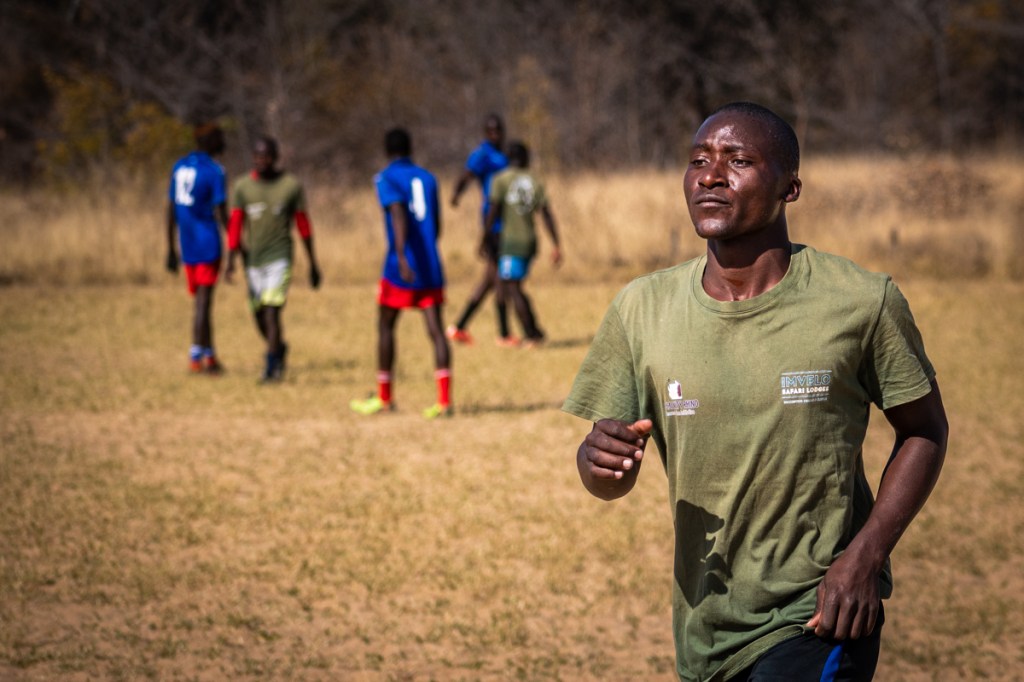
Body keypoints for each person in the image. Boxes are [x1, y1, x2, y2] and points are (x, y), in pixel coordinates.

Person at [563, 102, 948, 681]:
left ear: (790, 187)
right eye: (698, 161)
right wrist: (598, 463)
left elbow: (925, 430)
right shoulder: (642, 309)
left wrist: (864, 558)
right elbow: (604, 476)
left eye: (738, 160)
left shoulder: (861, 301)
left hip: (818, 616)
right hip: (705, 628)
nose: (711, 176)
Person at [350, 128, 452, 419]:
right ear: (410, 148)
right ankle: (444, 402)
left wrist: (401, 255)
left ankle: (384, 398)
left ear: (387, 150)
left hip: (401, 267)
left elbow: (397, 213)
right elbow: (437, 225)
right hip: (431, 264)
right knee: (436, 330)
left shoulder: (387, 178)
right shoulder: (429, 178)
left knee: (385, 325)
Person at [226, 135, 321, 383]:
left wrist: (313, 263)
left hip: (280, 257)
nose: (262, 161)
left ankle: (271, 368)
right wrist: (231, 260)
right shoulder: (242, 187)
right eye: (258, 156)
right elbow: (235, 225)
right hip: (253, 261)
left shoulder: (290, 186)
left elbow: (303, 225)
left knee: (271, 311)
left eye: (267, 156)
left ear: (275, 158)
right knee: (258, 313)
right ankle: (277, 348)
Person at [484, 141, 562, 348]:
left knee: (512, 288)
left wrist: (484, 237)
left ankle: (532, 334)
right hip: (530, 241)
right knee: (509, 286)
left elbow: (492, 212)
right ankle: (520, 331)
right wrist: (556, 243)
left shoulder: (500, 180)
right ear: (526, 158)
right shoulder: (535, 181)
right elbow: (546, 214)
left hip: (511, 242)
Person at [166, 123, 229, 374]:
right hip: (207, 244)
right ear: (211, 142)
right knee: (203, 303)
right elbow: (222, 213)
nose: (225, 143)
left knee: (203, 301)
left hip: (187, 243)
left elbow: (170, 209)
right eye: (221, 139)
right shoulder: (214, 171)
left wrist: (170, 247)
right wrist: (237, 245)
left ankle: (210, 356)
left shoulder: (180, 166)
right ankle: (196, 356)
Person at [446, 113, 512, 346]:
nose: (496, 135)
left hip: (508, 221)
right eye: (491, 131)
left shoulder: (505, 154)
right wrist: (456, 194)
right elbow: (466, 175)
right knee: (500, 276)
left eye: (499, 130)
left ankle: (460, 326)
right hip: (493, 223)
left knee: (491, 278)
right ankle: (503, 334)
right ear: (486, 133)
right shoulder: (482, 154)